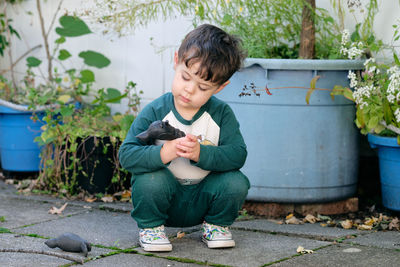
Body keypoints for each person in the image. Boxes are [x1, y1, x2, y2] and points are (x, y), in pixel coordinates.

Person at [118, 24, 250, 252]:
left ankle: (216, 226)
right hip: (164, 197)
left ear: (219, 87)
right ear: (176, 59)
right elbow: (127, 155)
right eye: (185, 77)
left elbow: (238, 154)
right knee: (149, 180)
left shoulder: (221, 114)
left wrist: (202, 153)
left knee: (236, 181)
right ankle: (151, 228)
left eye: (202, 87)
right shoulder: (156, 110)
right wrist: (163, 153)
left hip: (203, 196)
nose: (189, 90)